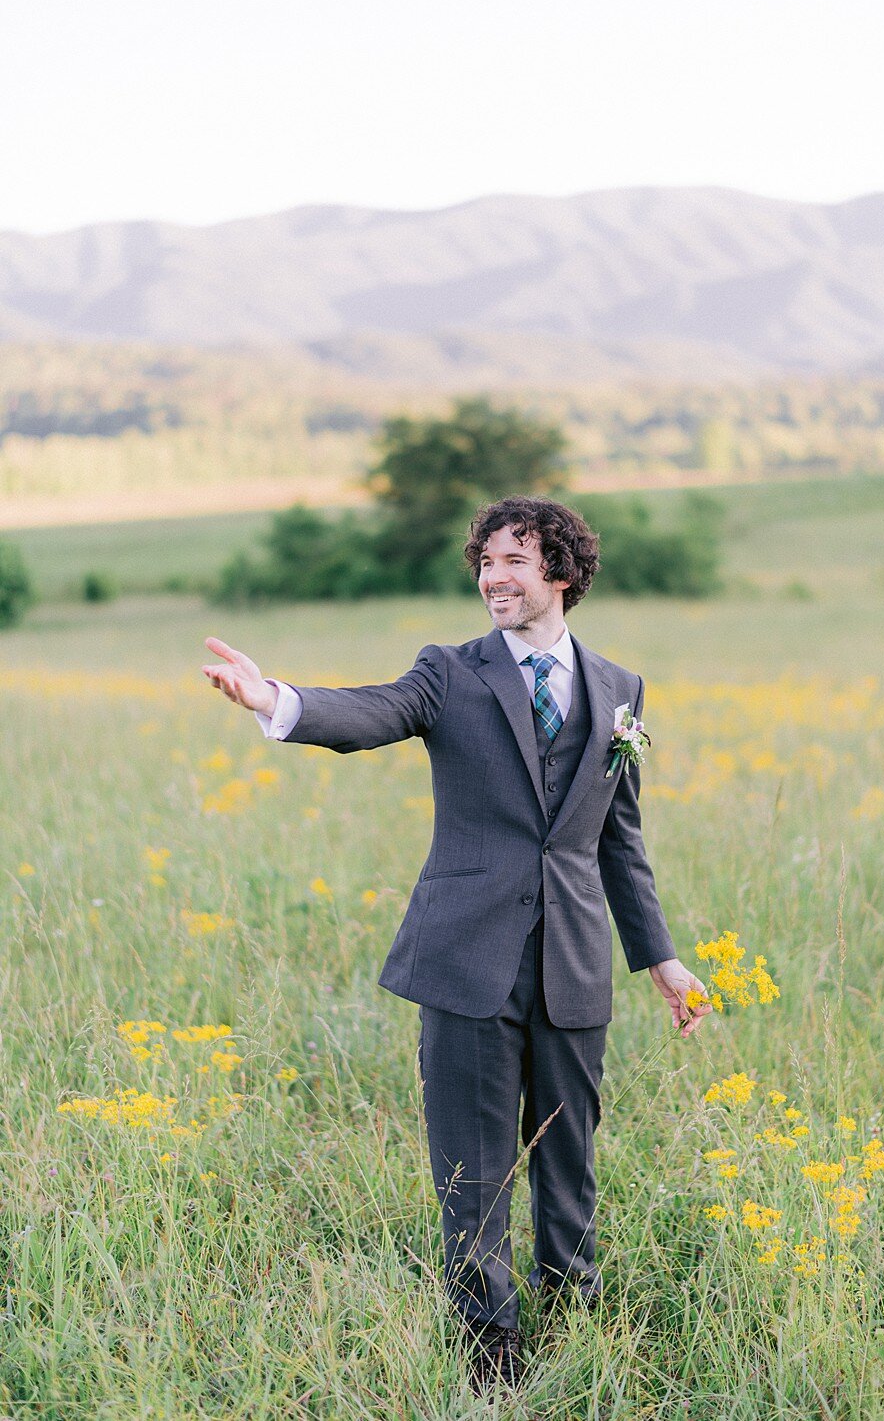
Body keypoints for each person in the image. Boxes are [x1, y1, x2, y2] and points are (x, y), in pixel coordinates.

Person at [202, 494, 710, 1391]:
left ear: (560, 571)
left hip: (575, 967)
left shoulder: (620, 689)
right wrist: (275, 700)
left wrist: (659, 956)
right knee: (472, 1177)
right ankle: (491, 1363)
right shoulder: (450, 671)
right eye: (484, 562)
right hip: (466, 962)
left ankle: (577, 1330)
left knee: (571, 1164)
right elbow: (372, 713)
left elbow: (617, 838)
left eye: (512, 560)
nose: (491, 577)